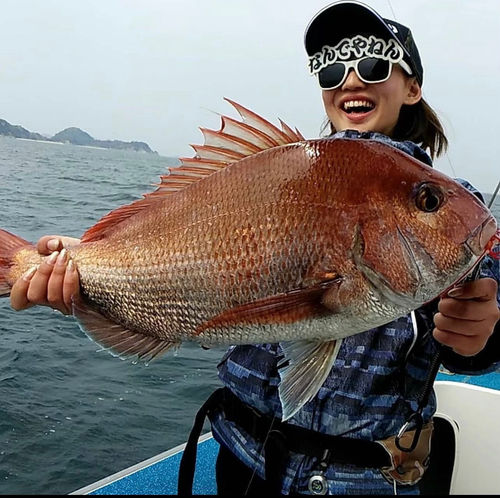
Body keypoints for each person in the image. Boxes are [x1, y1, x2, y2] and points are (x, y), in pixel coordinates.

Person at [9, 1, 500, 495]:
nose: (351, 80)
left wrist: (480, 336)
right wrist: (89, 265)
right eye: (330, 68)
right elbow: (189, 254)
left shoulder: (462, 209)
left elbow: (483, 330)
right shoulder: (277, 169)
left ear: (413, 86)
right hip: (242, 459)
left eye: (374, 63)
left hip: (369, 479)